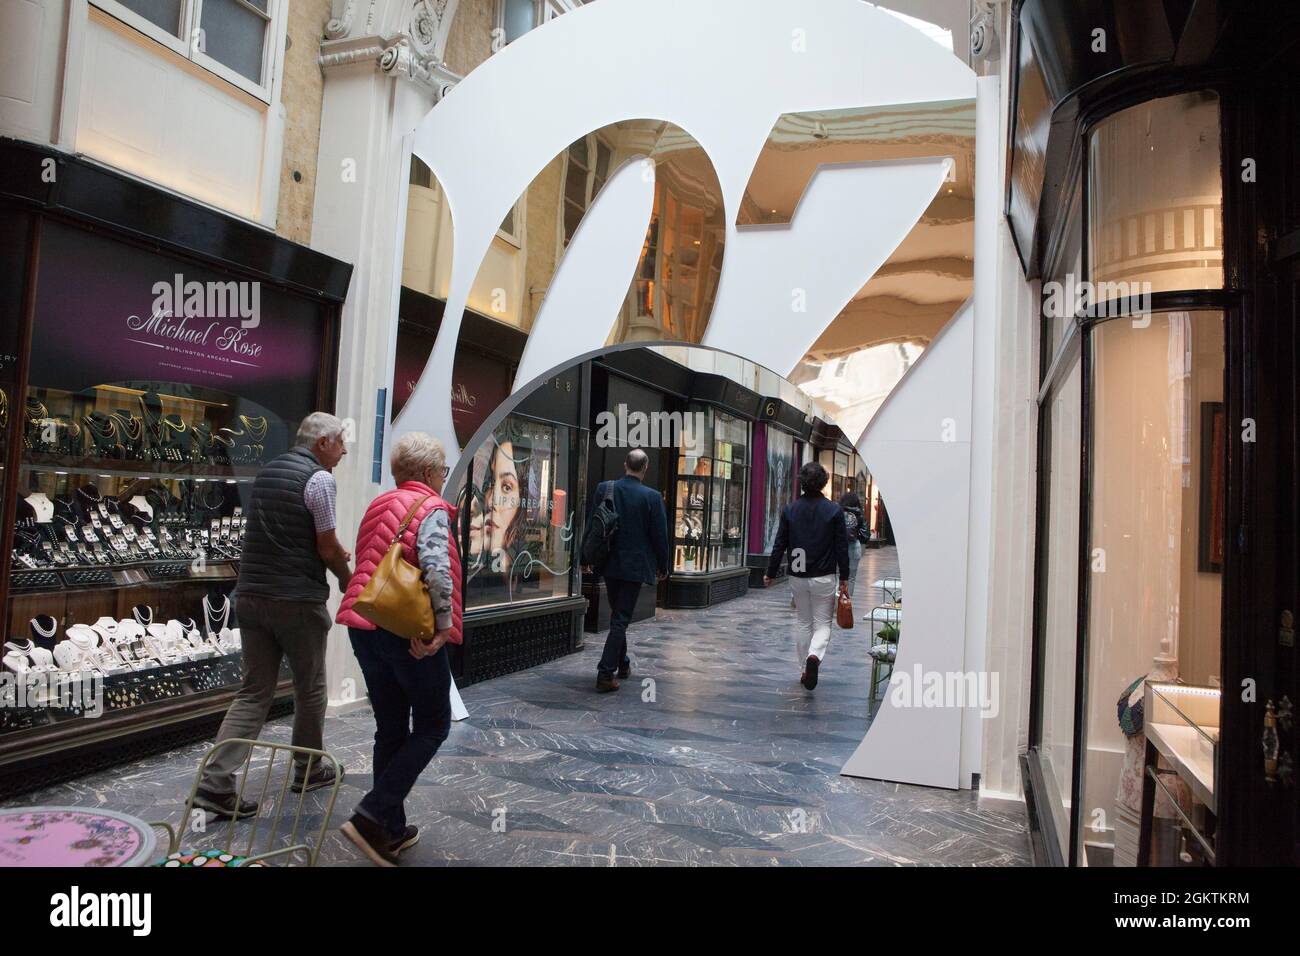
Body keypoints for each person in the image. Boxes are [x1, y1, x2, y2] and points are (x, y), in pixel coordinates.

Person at [193, 412, 353, 818]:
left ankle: (214, 784)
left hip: (251, 597)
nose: (344, 451)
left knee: (253, 691)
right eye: (340, 443)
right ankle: (308, 768)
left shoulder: (266, 473)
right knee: (310, 686)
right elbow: (327, 545)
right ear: (322, 443)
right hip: (296, 601)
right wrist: (349, 578)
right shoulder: (319, 479)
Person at [335, 432, 462, 866]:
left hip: (364, 624)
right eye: (442, 472)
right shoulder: (431, 508)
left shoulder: (379, 503)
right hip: (406, 631)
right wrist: (442, 627)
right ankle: (372, 815)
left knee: (390, 728)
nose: (442, 479)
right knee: (432, 725)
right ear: (429, 473)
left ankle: (388, 829)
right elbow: (436, 569)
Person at [584, 449, 668, 693]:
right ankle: (605, 673)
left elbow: (592, 524)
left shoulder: (605, 488)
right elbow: (659, 536)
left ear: (625, 465)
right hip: (635, 567)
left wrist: (584, 556)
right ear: (645, 467)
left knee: (617, 617)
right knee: (620, 619)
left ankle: (623, 663)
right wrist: (663, 566)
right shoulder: (652, 497)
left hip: (608, 564)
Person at [764, 461, 850, 690]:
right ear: (824, 482)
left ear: (801, 482)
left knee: (803, 621)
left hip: (798, 574)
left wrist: (770, 573)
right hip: (824, 575)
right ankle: (814, 656)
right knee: (822, 623)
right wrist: (845, 578)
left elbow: (780, 543)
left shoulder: (790, 510)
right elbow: (841, 547)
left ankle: (804, 668)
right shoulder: (834, 510)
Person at [840, 491, 868, 597]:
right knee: (851, 577)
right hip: (854, 545)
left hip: (839, 546)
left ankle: (836, 602)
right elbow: (865, 534)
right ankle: (846, 601)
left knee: (838, 574)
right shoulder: (859, 513)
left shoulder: (838, 511)